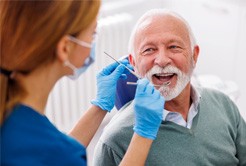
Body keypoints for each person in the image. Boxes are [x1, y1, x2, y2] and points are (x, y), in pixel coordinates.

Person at [0, 1, 166, 165]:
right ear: (65, 47)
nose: (162, 59)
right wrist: (144, 133)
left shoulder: (15, 115)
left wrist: (100, 106)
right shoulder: (54, 150)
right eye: (93, 34)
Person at [93, 9, 246, 166]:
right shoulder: (114, 142)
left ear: (194, 55)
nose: (162, 60)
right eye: (149, 50)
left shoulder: (224, 105)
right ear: (133, 63)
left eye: (173, 47)